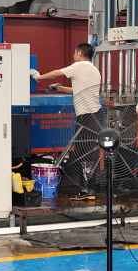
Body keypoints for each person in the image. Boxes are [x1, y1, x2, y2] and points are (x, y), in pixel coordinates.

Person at [30, 43, 104, 192]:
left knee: (85, 152)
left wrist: (38, 77)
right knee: (88, 151)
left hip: (87, 116)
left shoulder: (80, 66)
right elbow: (78, 90)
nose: (73, 55)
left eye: (75, 52)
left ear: (80, 53)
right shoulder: (94, 69)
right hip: (95, 115)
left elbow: (56, 73)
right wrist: (59, 88)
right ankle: (88, 187)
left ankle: (87, 189)